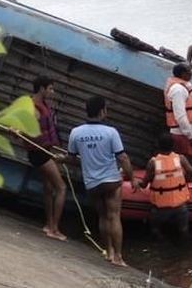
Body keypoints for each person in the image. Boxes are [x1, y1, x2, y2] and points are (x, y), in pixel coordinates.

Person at [62, 96, 138, 267]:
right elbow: (123, 158)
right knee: (114, 217)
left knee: (103, 217)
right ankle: (118, 256)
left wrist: (61, 159)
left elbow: (72, 159)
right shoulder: (111, 132)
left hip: (92, 183)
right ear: (102, 111)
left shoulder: (76, 132)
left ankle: (109, 252)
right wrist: (132, 179)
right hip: (111, 181)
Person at [137, 133, 192, 239]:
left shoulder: (153, 163)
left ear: (158, 145)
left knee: (155, 230)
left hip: (160, 209)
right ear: (173, 145)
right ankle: (185, 250)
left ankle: (161, 245)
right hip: (180, 207)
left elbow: (144, 183)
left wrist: (136, 183)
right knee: (184, 231)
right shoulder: (180, 159)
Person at [28, 76, 67, 241]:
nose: (52, 92)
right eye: (50, 88)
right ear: (42, 89)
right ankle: (54, 229)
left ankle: (49, 224)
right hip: (39, 153)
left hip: (46, 150)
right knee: (61, 188)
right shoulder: (31, 106)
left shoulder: (44, 105)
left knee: (49, 188)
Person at [164, 63, 192, 170]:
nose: (191, 74)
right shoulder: (178, 89)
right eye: (189, 72)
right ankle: (189, 184)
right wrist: (191, 136)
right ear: (183, 74)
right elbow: (180, 116)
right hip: (184, 134)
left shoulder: (184, 86)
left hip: (189, 131)